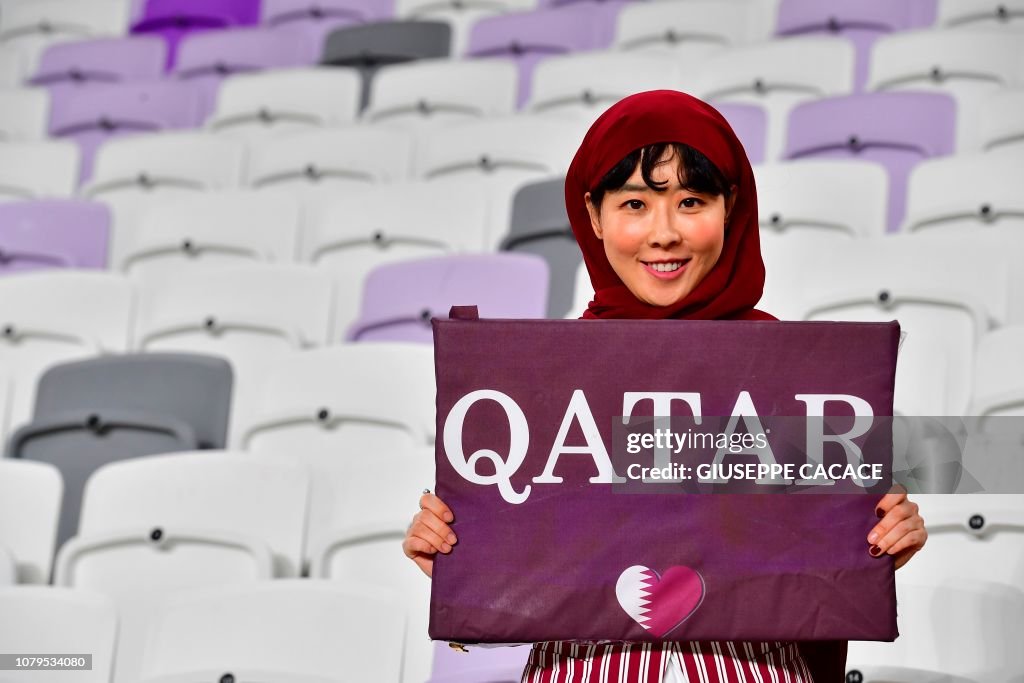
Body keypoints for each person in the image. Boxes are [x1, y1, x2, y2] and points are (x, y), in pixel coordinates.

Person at [402, 90, 928, 682]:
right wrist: (462, 555)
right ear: (593, 214)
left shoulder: (794, 376)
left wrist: (876, 536)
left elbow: (803, 569)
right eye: (635, 204)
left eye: (692, 201)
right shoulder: (541, 383)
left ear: (731, 208)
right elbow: (533, 574)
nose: (664, 233)